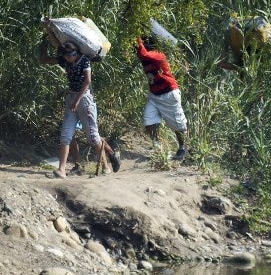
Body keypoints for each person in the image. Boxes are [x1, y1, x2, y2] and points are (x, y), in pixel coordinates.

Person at [39, 18, 119, 178]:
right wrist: (47, 30)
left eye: (71, 55)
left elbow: (87, 81)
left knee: (92, 136)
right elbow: (56, 47)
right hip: (72, 98)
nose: (68, 58)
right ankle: (62, 170)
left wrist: (76, 101)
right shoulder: (65, 60)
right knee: (66, 134)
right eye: (67, 56)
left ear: (76, 53)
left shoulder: (85, 60)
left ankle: (107, 163)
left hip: (85, 99)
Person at [135, 36, 190, 162]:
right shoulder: (145, 58)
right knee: (149, 121)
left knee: (178, 124)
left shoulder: (159, 55)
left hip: (169, 94)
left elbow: (142, 52)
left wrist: (137, 37)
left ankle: (183, 147)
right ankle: (158, 146)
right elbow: (141, 53)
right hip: (154, 96)